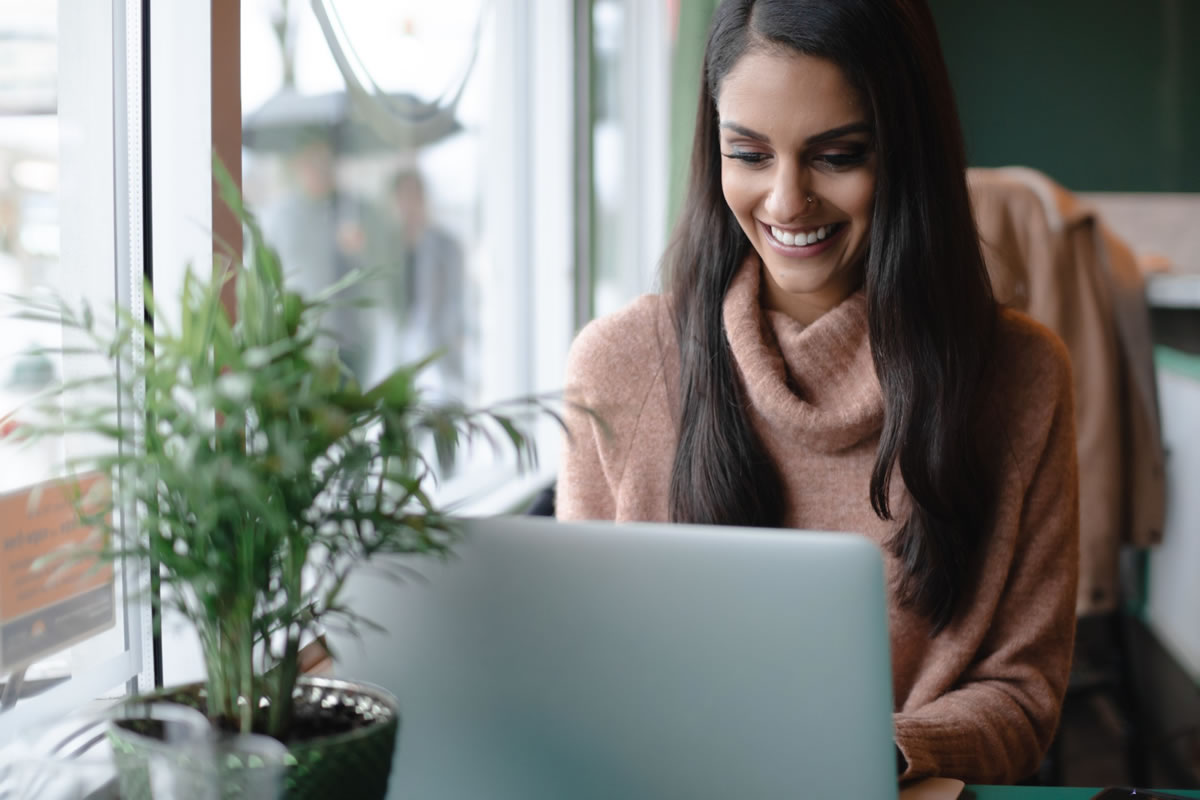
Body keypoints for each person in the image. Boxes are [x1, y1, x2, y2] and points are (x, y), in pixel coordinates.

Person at [557, 0, 1078, 786]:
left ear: (909, 152)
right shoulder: (619, 365)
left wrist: (874, 752)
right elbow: (581, 666)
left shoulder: (1022, 377)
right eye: (750, 154)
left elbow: (1022, 695)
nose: (787, 201)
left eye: (837, 155)